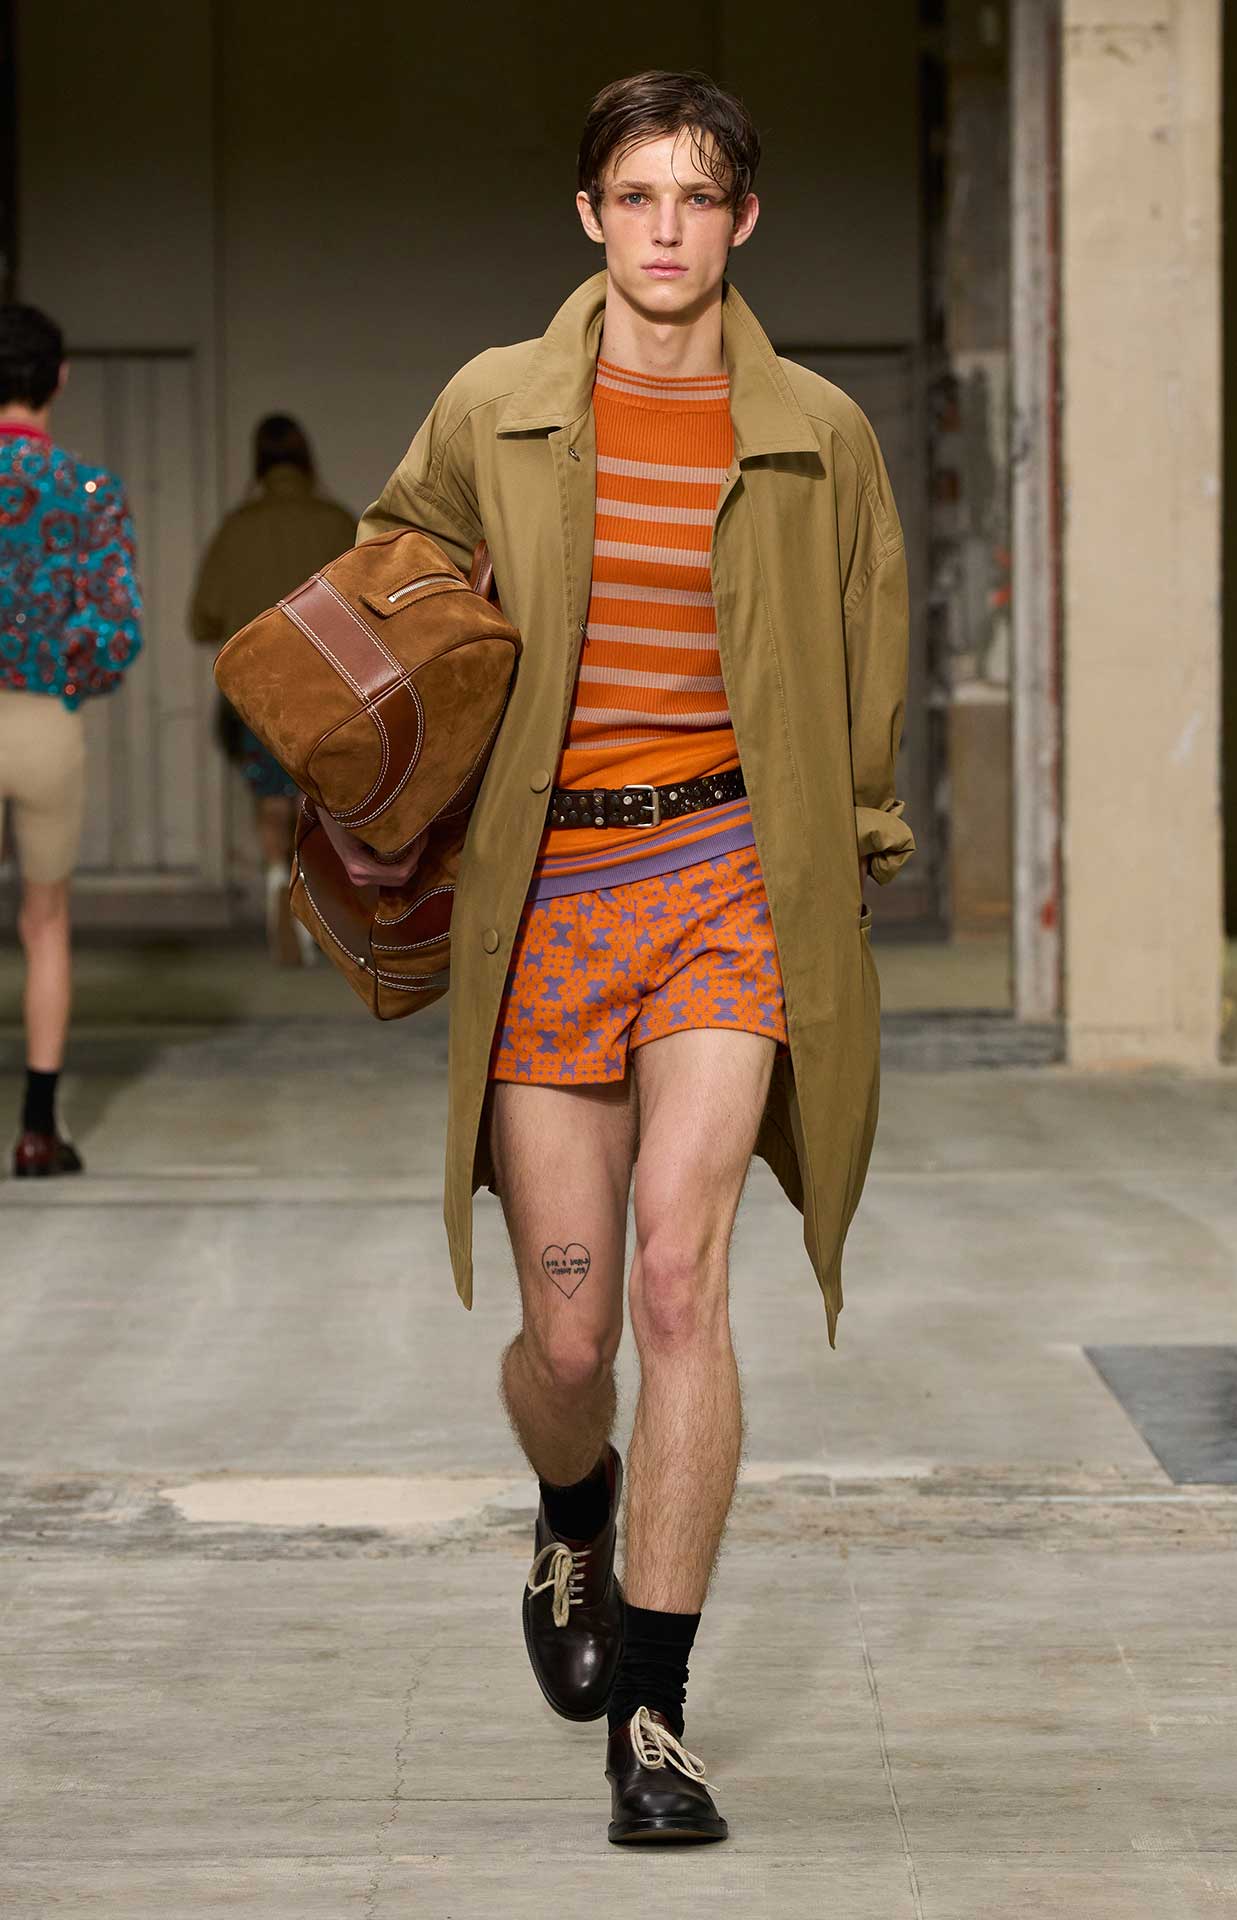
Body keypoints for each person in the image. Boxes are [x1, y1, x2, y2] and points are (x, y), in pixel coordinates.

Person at [324, 70, 914, 1844]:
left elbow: (865, 662)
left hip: (730, 878)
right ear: (590, 215)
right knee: (574, 1342)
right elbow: (383, 597)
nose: (667, 228)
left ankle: (654, 1720)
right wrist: (381, 783)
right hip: (551, 894)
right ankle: (573, 1509)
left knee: (677, 1283)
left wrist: (848, 854)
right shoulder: (494, 406)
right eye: (636, 196)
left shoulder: (816, 432)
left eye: (698, 196)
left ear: (746, 218)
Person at [0, 304, 143, 1178]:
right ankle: (36, 1130)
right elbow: (117, 627)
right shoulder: (89, 489)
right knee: (45, 922)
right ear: (59, 377)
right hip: (44, 723)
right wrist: (66, 678)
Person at [190, 415, 356, 964]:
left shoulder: (237, 529)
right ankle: (315, 907)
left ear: (258, 463)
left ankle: (274, 888)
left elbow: (201, 618)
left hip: (256, 691)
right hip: (327, 693)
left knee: (269, 800)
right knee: (319, 801)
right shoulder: (338, 524)